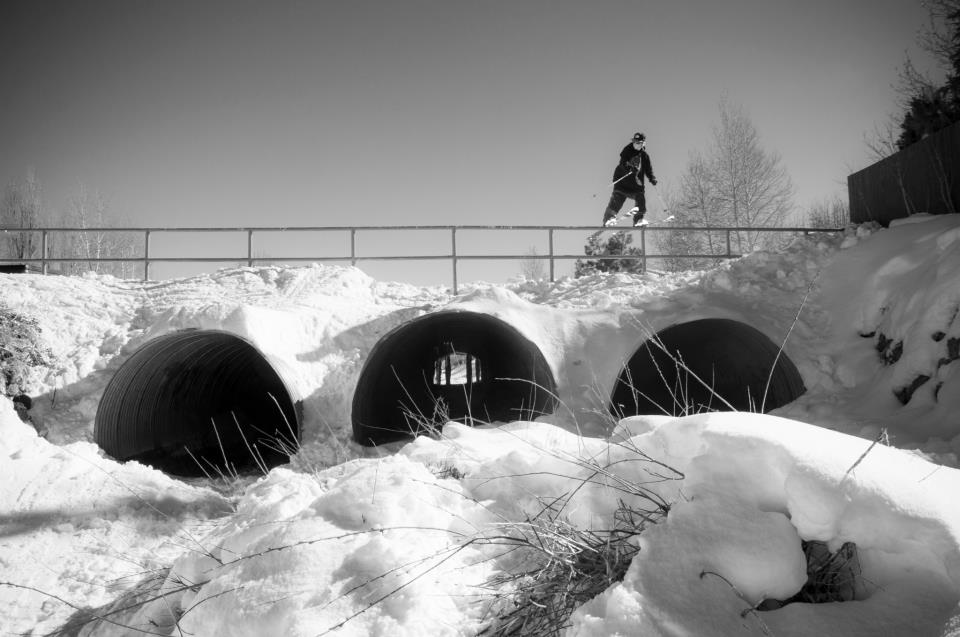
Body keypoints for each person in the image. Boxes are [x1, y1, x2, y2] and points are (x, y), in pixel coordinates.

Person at [601, 132, 657, 227]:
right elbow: (622, 162)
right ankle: (609, 218)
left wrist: (652, 178)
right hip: (623, 181)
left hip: (636, 185)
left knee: (641, 199)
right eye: (634, 142)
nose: (636, 144)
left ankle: (638, 220)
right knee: (617, 199)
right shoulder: (627, 150)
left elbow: (648, 169)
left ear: (643, 143)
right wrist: (629, 167)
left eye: (638, 142)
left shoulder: (645, 156)